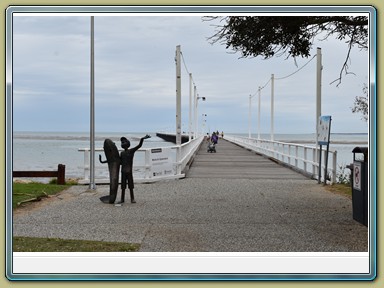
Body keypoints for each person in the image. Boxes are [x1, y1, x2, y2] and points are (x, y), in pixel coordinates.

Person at [120, 134, 151, 204]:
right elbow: (120, 162)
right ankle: (122, 199)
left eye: (124, 142)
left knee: (131, 186)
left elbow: (139, 146)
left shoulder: (131, 151)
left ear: (128, 143)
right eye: (122, 142)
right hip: (123, 171)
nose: (123, 143)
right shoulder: (121, 153)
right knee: (123, 186)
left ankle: (132, 198)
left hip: (129, 171)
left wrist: (142, 139)